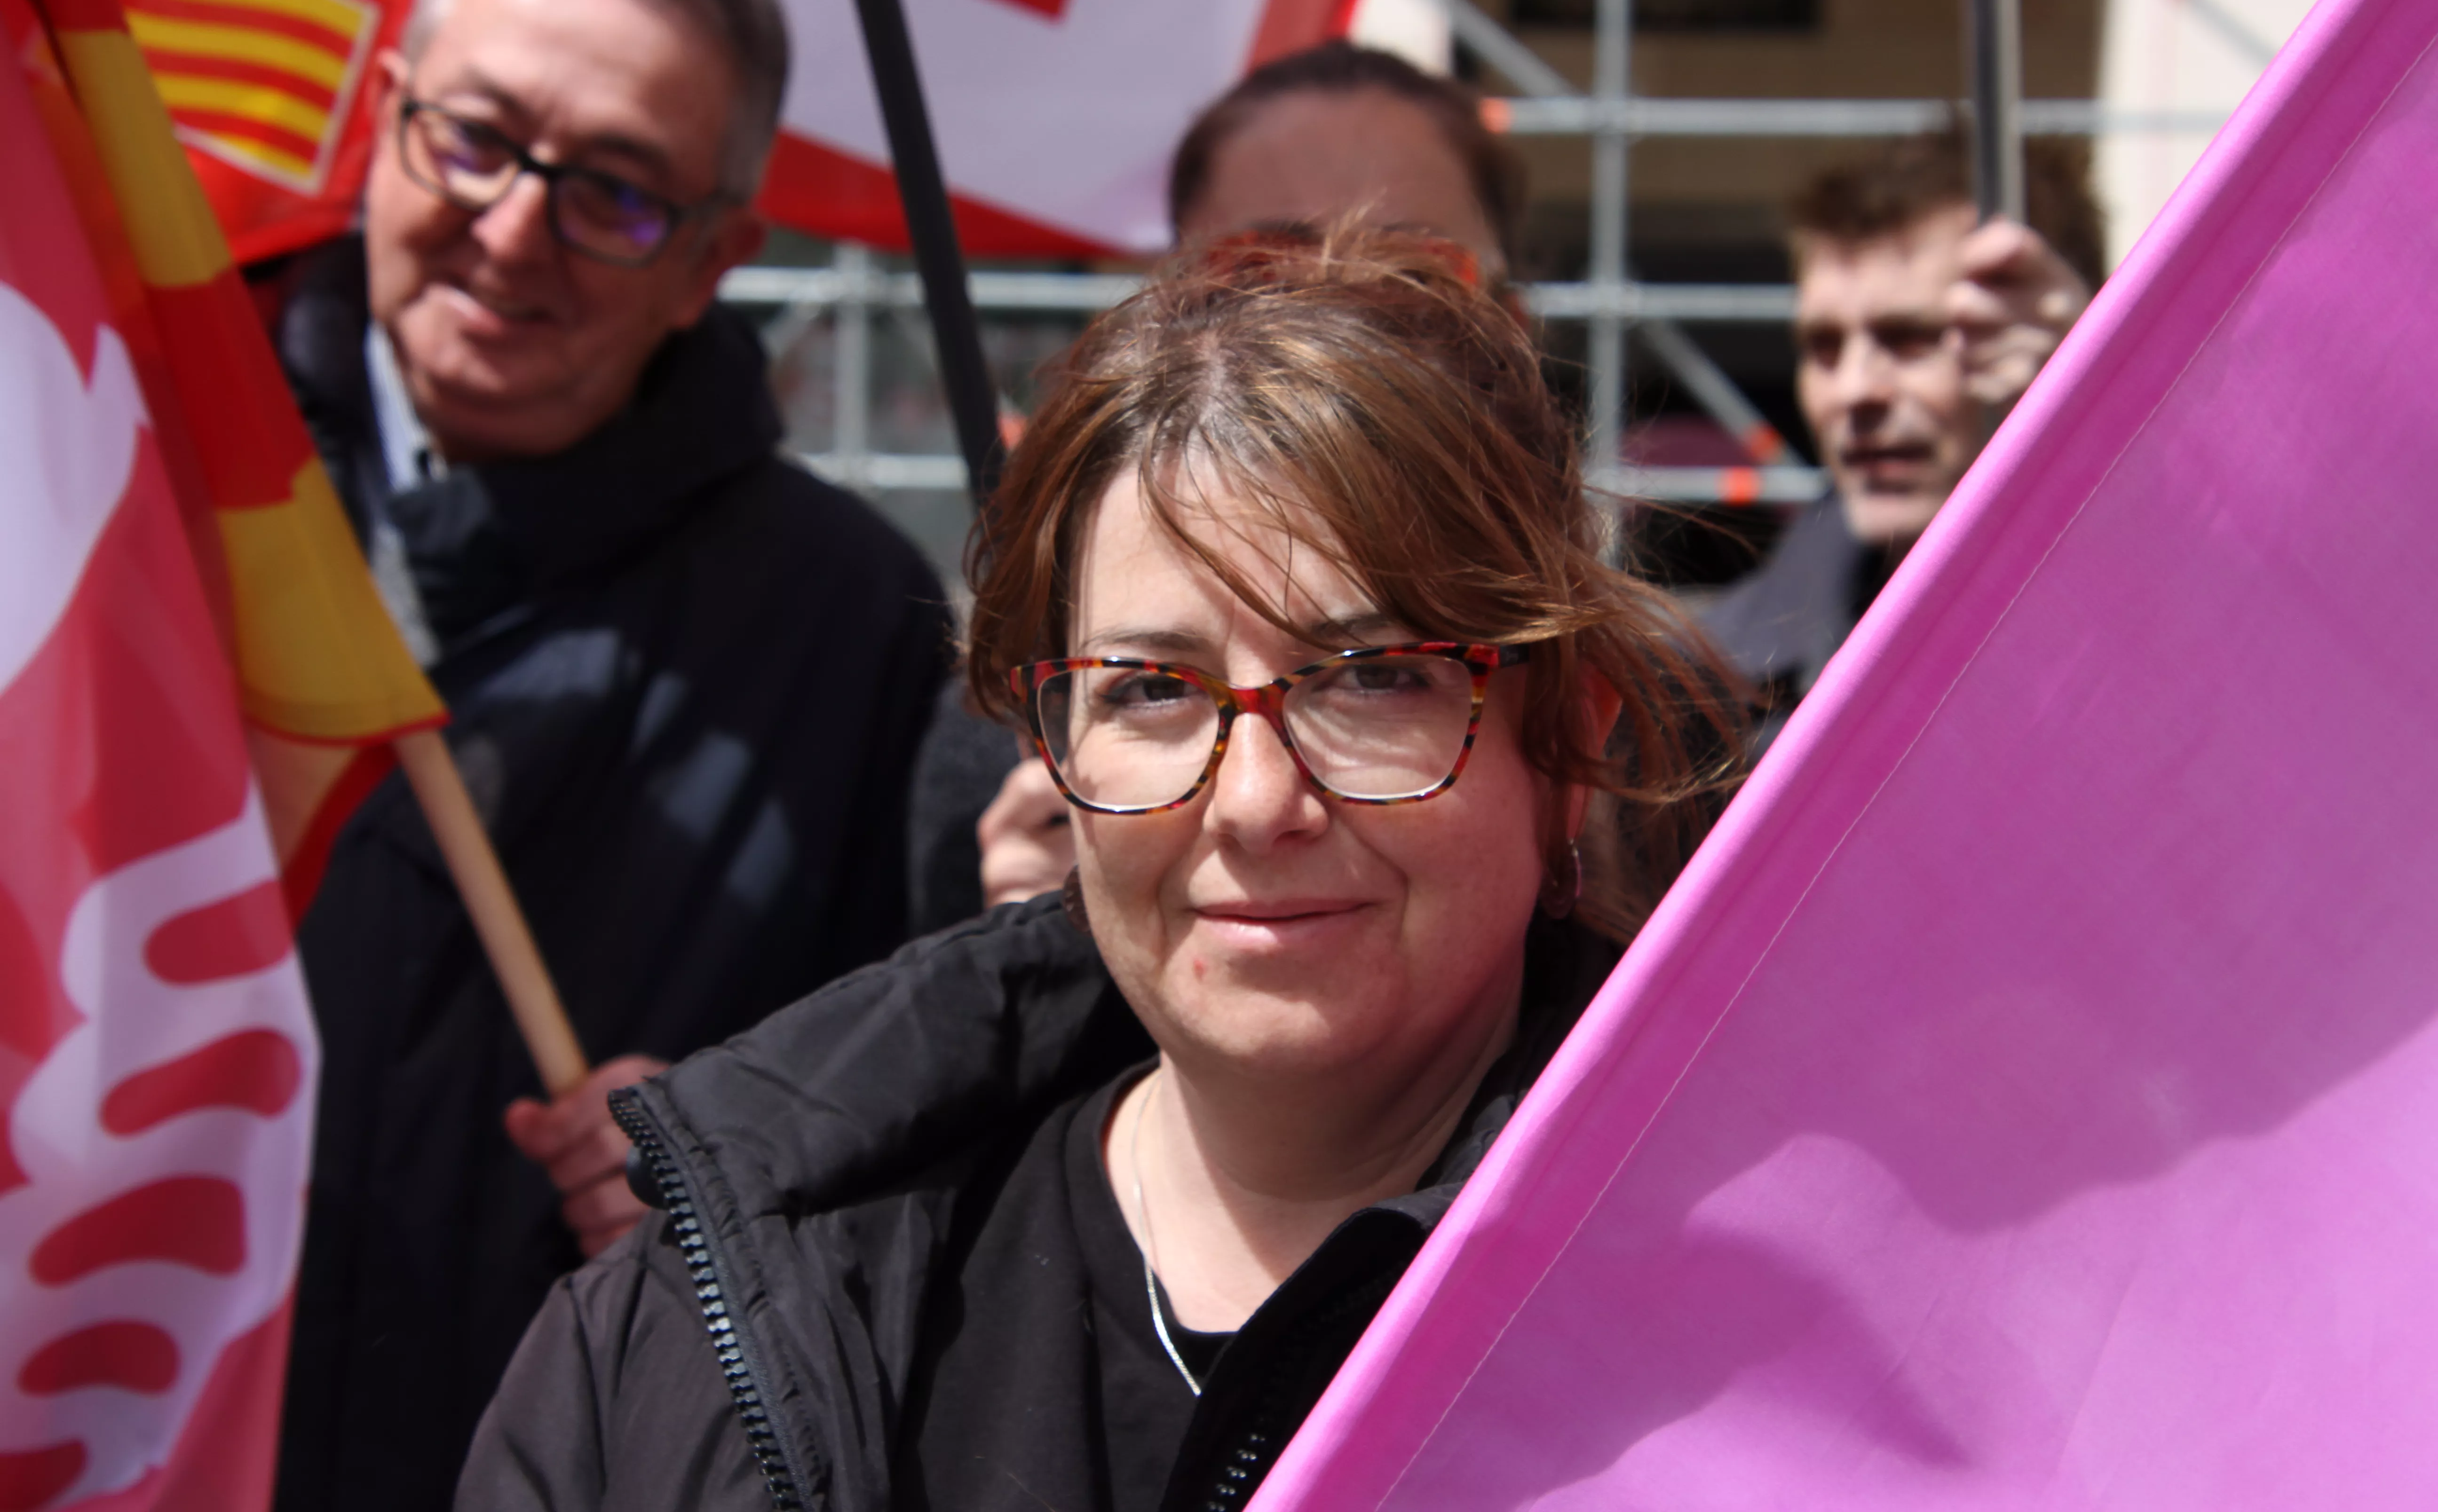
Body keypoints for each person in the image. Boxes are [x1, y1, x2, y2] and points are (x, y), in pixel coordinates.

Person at [457, 231, 1737, 1510]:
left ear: (1569, 742)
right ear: (1050, 749)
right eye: (1151, 691)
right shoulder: (703, 1322)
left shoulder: (1778, 1335)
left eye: (1373, 679)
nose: (1253, 803)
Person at [259, 0, 949, 1506]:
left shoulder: (854, 627)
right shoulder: (122, 474)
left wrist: (750, 1161)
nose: (509, 231)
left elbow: (915, 1163)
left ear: (715, 257)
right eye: (475, 139)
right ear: (384, 119)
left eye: (614, 197)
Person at [907, 40, 1529, 935]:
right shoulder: (1001, 732)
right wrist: (1028, 972)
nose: (1327, 337)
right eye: (1259, 277)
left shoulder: (1675, 732)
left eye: (1409, 284)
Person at [1699, 132, 2103, 747]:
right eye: (1824, 348)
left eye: (1911, 338)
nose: (1856, 392)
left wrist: (2105, 425)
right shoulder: (1702, 690)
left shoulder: (2197, 629)